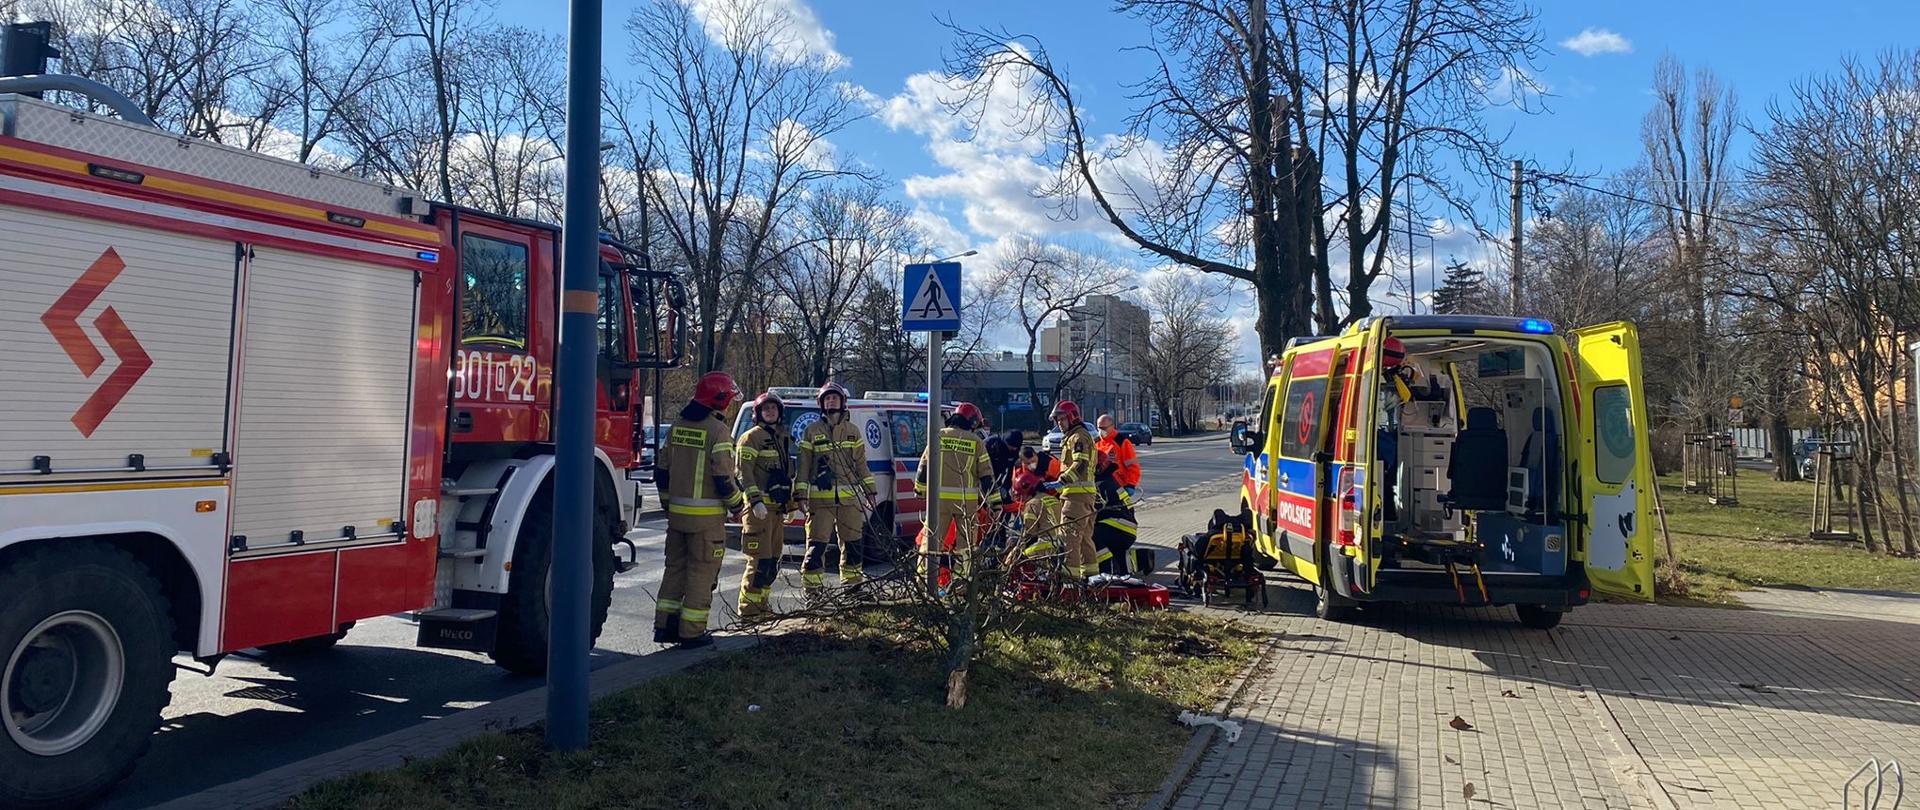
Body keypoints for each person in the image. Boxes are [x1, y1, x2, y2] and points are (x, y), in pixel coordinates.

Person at [652, 371, 747, 648]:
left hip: (677, 517)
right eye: (728, 399)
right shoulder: (718, 431)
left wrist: (668, 505)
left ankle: (664, 626)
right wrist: (738, 507)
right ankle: (691, 632)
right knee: (701, 574)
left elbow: (662, 471)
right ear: (719, 400)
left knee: (674, 570)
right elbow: (723, 479)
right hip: (706, 523)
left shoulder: (678, 425)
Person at [797, 381, 874, 593]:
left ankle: (852, 588)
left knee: (852, 546)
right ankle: (813, 593)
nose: (831, 401)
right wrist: (800, 495)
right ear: (821, 403)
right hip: (820, 502)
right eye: (827, 398)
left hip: (849, 501)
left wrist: (870, 490)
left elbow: (861, 464)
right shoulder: (812, 431)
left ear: (842, 402)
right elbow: (803, 465)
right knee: (816, 547)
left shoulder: (852, 431)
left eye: (835, 398)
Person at [914, 402, 997, 583]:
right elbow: (986, 476)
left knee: (930, 543)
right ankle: (962, 585)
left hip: (938, 502)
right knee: (966, 547)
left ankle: (922, 583)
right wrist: (995, 503)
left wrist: (920, 491)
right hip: (966, 504)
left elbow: (923, 467)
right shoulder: (975, 442)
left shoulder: (938, 436)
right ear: (973, 421)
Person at [734, 391, 792, 619]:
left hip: (777, 511)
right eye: (766, 409)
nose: (770, 412)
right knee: (759, 562)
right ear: (758, 413)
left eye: (774, 409)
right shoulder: (750, 438)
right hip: (758, 513)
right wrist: (755, 501)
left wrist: (791, 504)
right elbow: (743, 474)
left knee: (772, 563)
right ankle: (748, 610)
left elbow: (786, 474)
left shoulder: (781, 437)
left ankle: (763, 606)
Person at [1051, 401, 1099, 580]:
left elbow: (1081, 463)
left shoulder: (1077, 437)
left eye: (1062, 419)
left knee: (1069, 541)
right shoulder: (1078, 435)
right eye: (1057, 420)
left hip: (1075, 498)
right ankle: (1092, 581)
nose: (1059, 423)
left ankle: (1069, 585)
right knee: (1086, 541)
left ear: (1072, 417)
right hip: (1084, 496)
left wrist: (1061, 481)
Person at [1092, 449, 1139, 576]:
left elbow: (1092, 513)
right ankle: (1122, 571)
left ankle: (1106, 570)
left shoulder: (1100, 486)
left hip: (1117, 527)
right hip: (1126, 528)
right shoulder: (1111, 481)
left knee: (1090, 535)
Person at [1096, 414, 1142, 498]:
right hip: (1100, 484)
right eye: (1099, 428)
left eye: (1104, 428)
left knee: (1122, 509)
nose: (1101, 431)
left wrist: (1131, 484)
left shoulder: (1121, 442)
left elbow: (1132, 465)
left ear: (1112, 426)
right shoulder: (1096, 443)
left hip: (1119, 485)